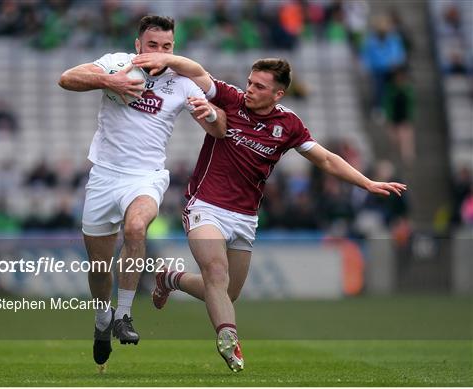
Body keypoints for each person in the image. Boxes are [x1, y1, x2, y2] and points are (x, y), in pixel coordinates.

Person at [132, 53, 407, 372]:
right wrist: (161, 56)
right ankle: (228, 340)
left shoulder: (288, 124)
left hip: (245, 216)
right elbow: (197, 71)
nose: (249, 89)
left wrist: (367, 182)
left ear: (278, 94)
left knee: (226, 293)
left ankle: (171, 278)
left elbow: (326, 160)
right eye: (249, 82)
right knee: (216, 273)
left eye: (259, 86)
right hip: (204, 205)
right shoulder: (231, 98)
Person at [58, 16, 226, 369]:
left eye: (167, 47)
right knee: (100, 269)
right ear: (138, 46)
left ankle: (124, 315)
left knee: (136, 228)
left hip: (146, 177)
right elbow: (66, 78)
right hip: (104, 176)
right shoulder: (117, 64)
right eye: (152, 45)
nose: (159, 52)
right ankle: (102, 317)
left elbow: (220, 128)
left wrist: (209, 113)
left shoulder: (181, 83)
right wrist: (110, 82)